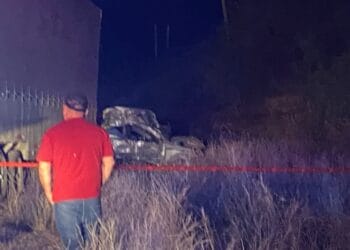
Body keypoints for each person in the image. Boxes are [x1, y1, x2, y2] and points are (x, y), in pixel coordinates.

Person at [36, 93, 115, 249]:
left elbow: (44, 166)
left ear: (65, 109)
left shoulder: (52, 134)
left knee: (73, 245)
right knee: (92, 242)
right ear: (85, 112)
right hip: (92, 198)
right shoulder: (100, 133)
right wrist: (98, 183)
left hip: (64, 198)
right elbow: (109, 162)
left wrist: (48, 192)